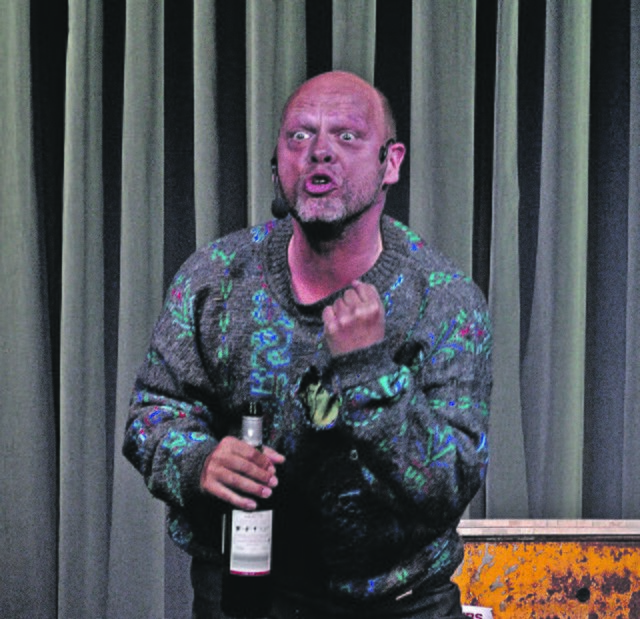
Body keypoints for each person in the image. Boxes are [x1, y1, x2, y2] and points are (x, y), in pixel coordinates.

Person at [123, 70, 492, 619]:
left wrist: (369, 372)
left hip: (398, 604)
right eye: (299, 136)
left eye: (347, 136)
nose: (319, 152)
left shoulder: (444, 299)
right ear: (277, 163)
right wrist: (199, 460)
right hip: (244, 599)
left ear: (391, 162)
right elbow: (152, 415)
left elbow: (446, 484)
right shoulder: (215, 277)